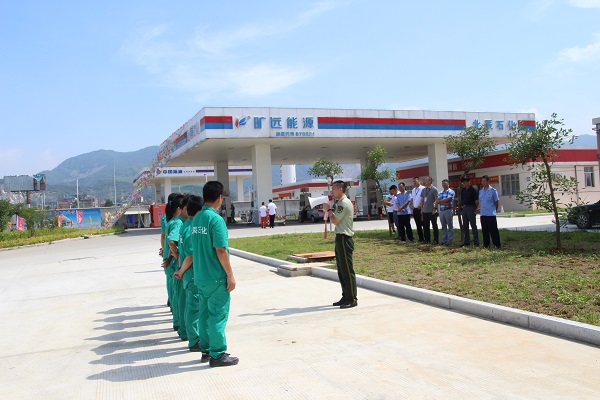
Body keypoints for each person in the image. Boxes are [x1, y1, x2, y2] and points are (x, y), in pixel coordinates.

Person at [191, 181, 239, 367]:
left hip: (201, 276)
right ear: (220, 198)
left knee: (204, 315)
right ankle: (217, 354)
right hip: (216, 277)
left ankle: (206, 350)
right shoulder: (215, 220)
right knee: (217, 315)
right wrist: (230, 275)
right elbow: (220, 250)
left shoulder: (196, 219)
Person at [173, 194, 204, 352]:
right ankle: (194, 339)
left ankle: (192, 335)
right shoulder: (191, 228)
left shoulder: (185, 226)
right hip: (191, 274)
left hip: (188, 274)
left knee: (189, 306)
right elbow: (190, 256)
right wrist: (181, 270)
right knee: (194, 308)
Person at [322, 180, 357, 309]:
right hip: (340, 238)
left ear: (340, 189)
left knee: (347, 269)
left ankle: (352, 298)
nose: (332, 192)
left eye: (334, 189)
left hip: (344, 238)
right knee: (341, 269)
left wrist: (328, 211)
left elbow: (336, 220)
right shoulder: (340, 203)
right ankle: (346, 295)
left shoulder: (343, 203)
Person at [165, 194, 184, 333]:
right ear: (179, 209)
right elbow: (171, 241)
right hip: (174, 264)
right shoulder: (178, 223)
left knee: (175, 295)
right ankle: (179, 324)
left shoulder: (170, 221)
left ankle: (177, 322)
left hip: (170, 264)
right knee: (179, 297)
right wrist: (177, 256)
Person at [478, 175, 501, 248]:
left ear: (488, 181)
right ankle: (486, 244)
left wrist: (494, 210)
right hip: (483, 214)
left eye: (484, 181)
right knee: (484, 230)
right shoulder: (481, 191)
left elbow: (496, 202)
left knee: (493, 230)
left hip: (490, 214)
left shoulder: (493, 191)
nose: (483, 182)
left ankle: (496, 244)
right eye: (482, 181)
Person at [460, 175, 480, 247]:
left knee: (473, 225)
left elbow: (476, 201)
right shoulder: (463, 190)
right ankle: (466, 241)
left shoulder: (473, 190)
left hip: (471, 207)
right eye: (463, 183)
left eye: (466, 182)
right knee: (465, 225)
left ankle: (476, 242)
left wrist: (475, 208)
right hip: (465, 208)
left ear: (469, 182)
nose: (465, 184)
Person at [420, 176, 439, 245]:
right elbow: (422, 200)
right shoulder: (424, 190)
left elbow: (437, 200)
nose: (425, 181)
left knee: (434, 226)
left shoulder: (434, 189)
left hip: (431, 210)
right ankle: (427, 239)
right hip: (425, 211)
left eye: (426, 180)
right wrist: (421, 209)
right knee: (426, 226)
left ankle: (436, 240)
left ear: (430, 181)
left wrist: (435, 208)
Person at [436, 179, 455, 246]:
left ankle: (449, 240)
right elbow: (437, 201)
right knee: (443, 226)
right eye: (443, 183)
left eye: (445, 183)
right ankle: (444, 240)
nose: (444, 185)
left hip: (448, 210)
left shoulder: (451, 191)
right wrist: (444, 202)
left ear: (448, 184)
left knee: (450, 226)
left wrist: (441, 201)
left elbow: (449, 199)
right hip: (441, 211)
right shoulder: (440, 192)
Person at [410, 177, 425, 243]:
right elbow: (412, 198)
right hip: (415, 209)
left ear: (419, 181)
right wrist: (410, 204)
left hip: (421, 209)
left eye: (415, 181)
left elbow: (423, 198)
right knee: (418, 224)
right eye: (413, 181)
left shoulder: (423, 188)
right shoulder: (413, 190)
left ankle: (426, 238)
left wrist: (420, 205)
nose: (414, 183)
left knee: (423, 223)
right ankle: (420, 238)